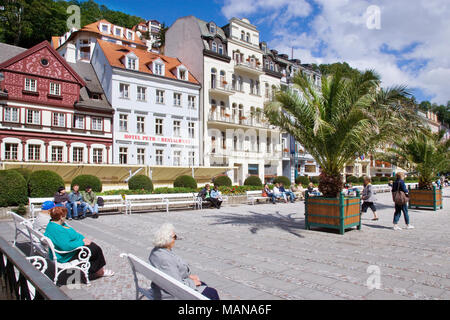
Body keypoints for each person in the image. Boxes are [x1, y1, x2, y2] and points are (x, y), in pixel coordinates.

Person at [149, 223, 220, 300]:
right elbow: (176, 285)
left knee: (203, 284)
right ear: (167, 240)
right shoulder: (165, 259)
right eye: (174, 237)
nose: (175, 239)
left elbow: (170, 273)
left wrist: (188, 277)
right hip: (171, 295)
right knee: (212, 292)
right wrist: (192, 283)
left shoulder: (156, 252)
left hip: (162, 287)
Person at [44, 206, 114, 280]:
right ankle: (99, 272)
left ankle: (94, 269)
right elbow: (66, 246)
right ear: (61, 217)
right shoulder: (57, 229)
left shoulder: (54, 224)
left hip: (66, 250)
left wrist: (83, 239)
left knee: (93, 247)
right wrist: (82, 242)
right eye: (65, 215)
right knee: (95, 249)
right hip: (65, 255)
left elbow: (73, 234)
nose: (66, 217)